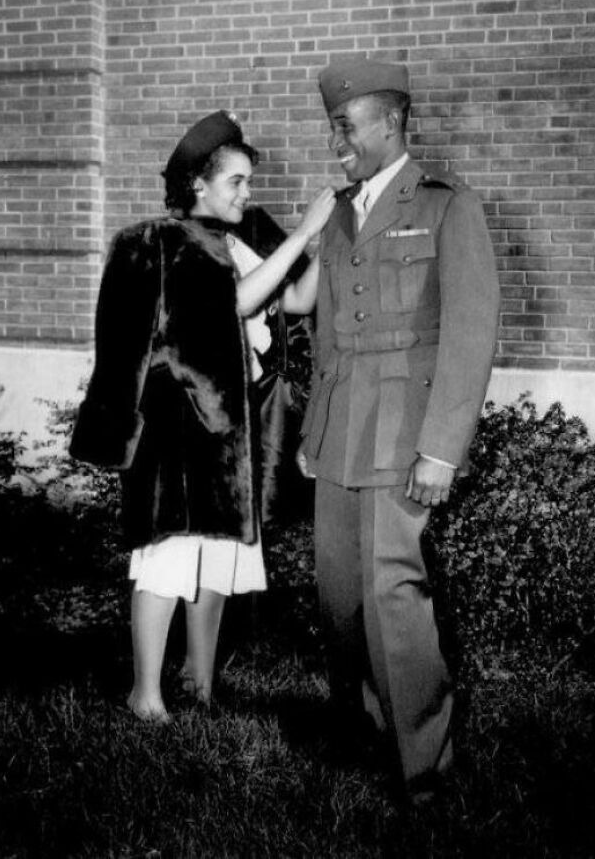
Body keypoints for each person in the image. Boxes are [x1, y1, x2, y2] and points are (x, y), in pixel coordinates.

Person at [70, 110, 334, 722]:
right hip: (177, 430)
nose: (247, 193)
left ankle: (199, 679)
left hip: (232, 430)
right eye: (236, 181)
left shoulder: (249, 235)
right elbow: (231, 303)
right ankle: (146, 694)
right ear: (198, 185)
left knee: (219, 559)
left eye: (247, 182)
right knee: (167, 558)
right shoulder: (166, 242)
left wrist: (328, 243)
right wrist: (305, 233)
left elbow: (292, 298)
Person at [297, 59, 500, 803]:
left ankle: (425, 770)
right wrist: (313, 429)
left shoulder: (447, 205)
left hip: (406, 430)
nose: (337, 141)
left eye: (346, 127)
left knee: (393, 593)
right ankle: (363, 730)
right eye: (333, 128)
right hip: (341, 428)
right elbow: (325, 332)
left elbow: (471, 333)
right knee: (339, 595)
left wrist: (442, 447)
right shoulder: (342, 212)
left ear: (389, 122)